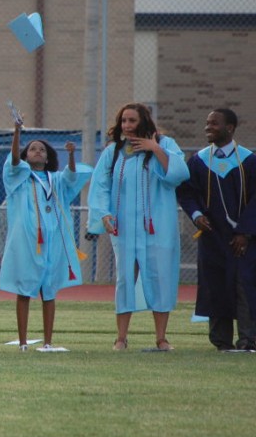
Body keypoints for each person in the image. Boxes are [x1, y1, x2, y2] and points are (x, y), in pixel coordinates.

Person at [87, 103, 189, 351]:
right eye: (123, 121)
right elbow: (99, 186)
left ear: (143, 121)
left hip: (157, 226)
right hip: (124, 227)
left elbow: (178, 175)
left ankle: (161, 338)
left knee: (160, 276)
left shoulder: (165, 145)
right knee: (125, 279)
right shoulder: (113, 152)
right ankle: (120, 338)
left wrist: (154, 148)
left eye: (132, 121)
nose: (127, 126)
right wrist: (103, 214)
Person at [0, 119, 92, 351]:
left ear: (48, 157)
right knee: (25, 289)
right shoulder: (19, 178)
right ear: (26, 156)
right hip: (28, 241)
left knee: (49, 291)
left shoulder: (56, 180)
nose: (37, 151)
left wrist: (71, 155)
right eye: (32, 149)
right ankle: (22, 342)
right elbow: (14, 161)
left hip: (53, 241)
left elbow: (72, 177)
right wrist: (18, 132)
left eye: (42, 149)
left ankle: (48, 342)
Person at [177, 109, 256, 351]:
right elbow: (187, 192)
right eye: (207, 123)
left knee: (246, 286)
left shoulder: (249, 160)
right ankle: (221, 342)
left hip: (244, 238)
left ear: (230, 128)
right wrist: (197, 215)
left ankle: (248, 340)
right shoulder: (199, 161)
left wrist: (245, 232)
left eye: (214, 123)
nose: (207, 127)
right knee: (216, 285)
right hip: (212, 237)